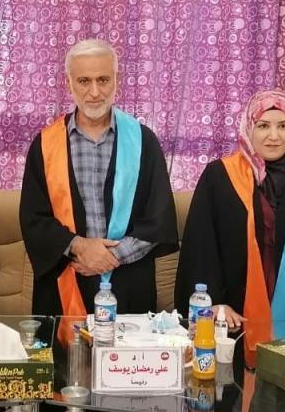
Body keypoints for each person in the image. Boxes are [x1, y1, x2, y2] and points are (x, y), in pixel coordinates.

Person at [20, 39, 179, 347]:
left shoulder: (143, 141)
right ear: (69, 83)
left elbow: (158, 216)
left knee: (129, 370)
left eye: (103, 80)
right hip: (67, 274)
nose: (94, 92)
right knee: (64, 371)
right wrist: (79, 246)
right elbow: (33, 218)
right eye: (84, 81)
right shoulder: (45, 145)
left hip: (128, 281)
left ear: (117, 80)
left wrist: (109, 257)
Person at [175, 89, 285, 364]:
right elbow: (201, 246)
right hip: (231, 320)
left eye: (283, 126)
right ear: (248, 127)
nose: (274, 136)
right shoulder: (219, 177)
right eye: (263, 126)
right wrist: (213, 303)